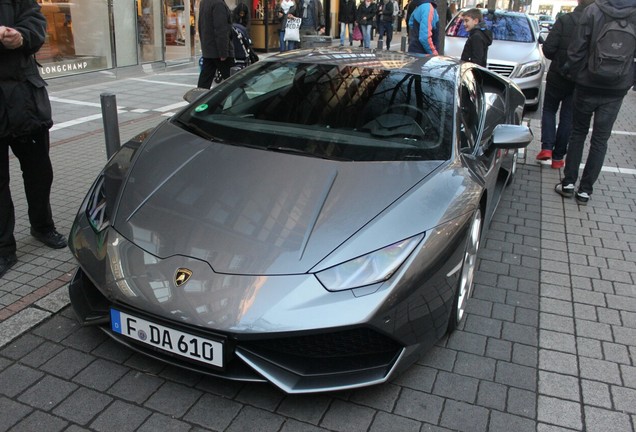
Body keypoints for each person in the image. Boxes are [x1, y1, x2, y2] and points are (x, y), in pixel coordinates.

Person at [1, 0, 67, 279]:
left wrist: (21, 37)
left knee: (40, 173)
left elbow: (36, 25)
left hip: (27, 102)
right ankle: (4, 248)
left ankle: (42, 226)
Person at [555, 0, 636, 205]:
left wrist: (571, 72)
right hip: (616, 88)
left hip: (587, 83)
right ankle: (585, 191)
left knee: (578, 133)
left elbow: (577, 47)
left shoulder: (593, 10)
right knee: (600, 140)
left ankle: (568, 183)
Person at [537, 0, 593, 168]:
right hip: (580, 78)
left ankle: (546, 147)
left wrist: (561, 60)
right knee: (568, 117)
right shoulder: (596, 23)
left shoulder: (565, 20)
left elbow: (548, 49)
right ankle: (558, 158)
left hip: (557, 75)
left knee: (549, 110)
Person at [197, 0, 235, 89]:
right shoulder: (218, 4)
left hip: (208, 50)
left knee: (204, 82)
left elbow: (200, 26)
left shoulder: (204, 2)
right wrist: (223, 52)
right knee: (234, 81)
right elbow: (221, 30)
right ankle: (243, 101)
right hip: (219, 50)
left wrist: (204, 46)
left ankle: (198, 100)